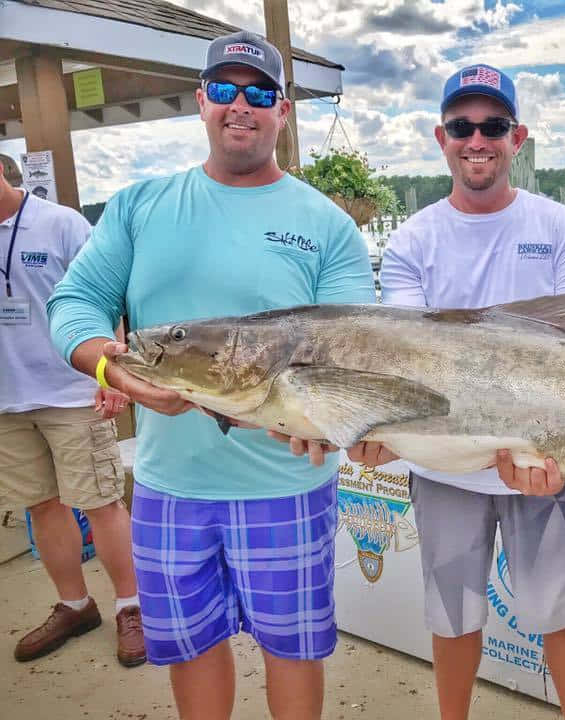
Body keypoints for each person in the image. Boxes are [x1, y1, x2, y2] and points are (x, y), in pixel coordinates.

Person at [46, 31, 375, 719]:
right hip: (171, 489)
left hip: (287, 484)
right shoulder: (140, 207)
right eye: (224, 90)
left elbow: (356, 350)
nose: (241, 106)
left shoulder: (328, 224)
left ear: (283, 111)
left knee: (293, 650)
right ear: (201, 101)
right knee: (191, 649)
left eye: (259, 94)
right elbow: (74, 305)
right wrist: (115, 369)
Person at [347, 63, 565, 720]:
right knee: (452, 619)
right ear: (441, 136)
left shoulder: (562, 227)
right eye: (464, 126)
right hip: (445, 466)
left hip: (539, 453)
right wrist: (380, 436)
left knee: (561, 615)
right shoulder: (411, 241)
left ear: (517, 138)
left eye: (494, 126)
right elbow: (407, 361)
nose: (478, 139)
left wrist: (557, 452)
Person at [0, 153, 146, 667]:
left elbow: (107, 299)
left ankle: (132, 606)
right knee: (40, 504)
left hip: (72, 389)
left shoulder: (59, 223)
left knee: (101, 501)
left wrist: (113, 376)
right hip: (6, 399)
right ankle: (74, 604)